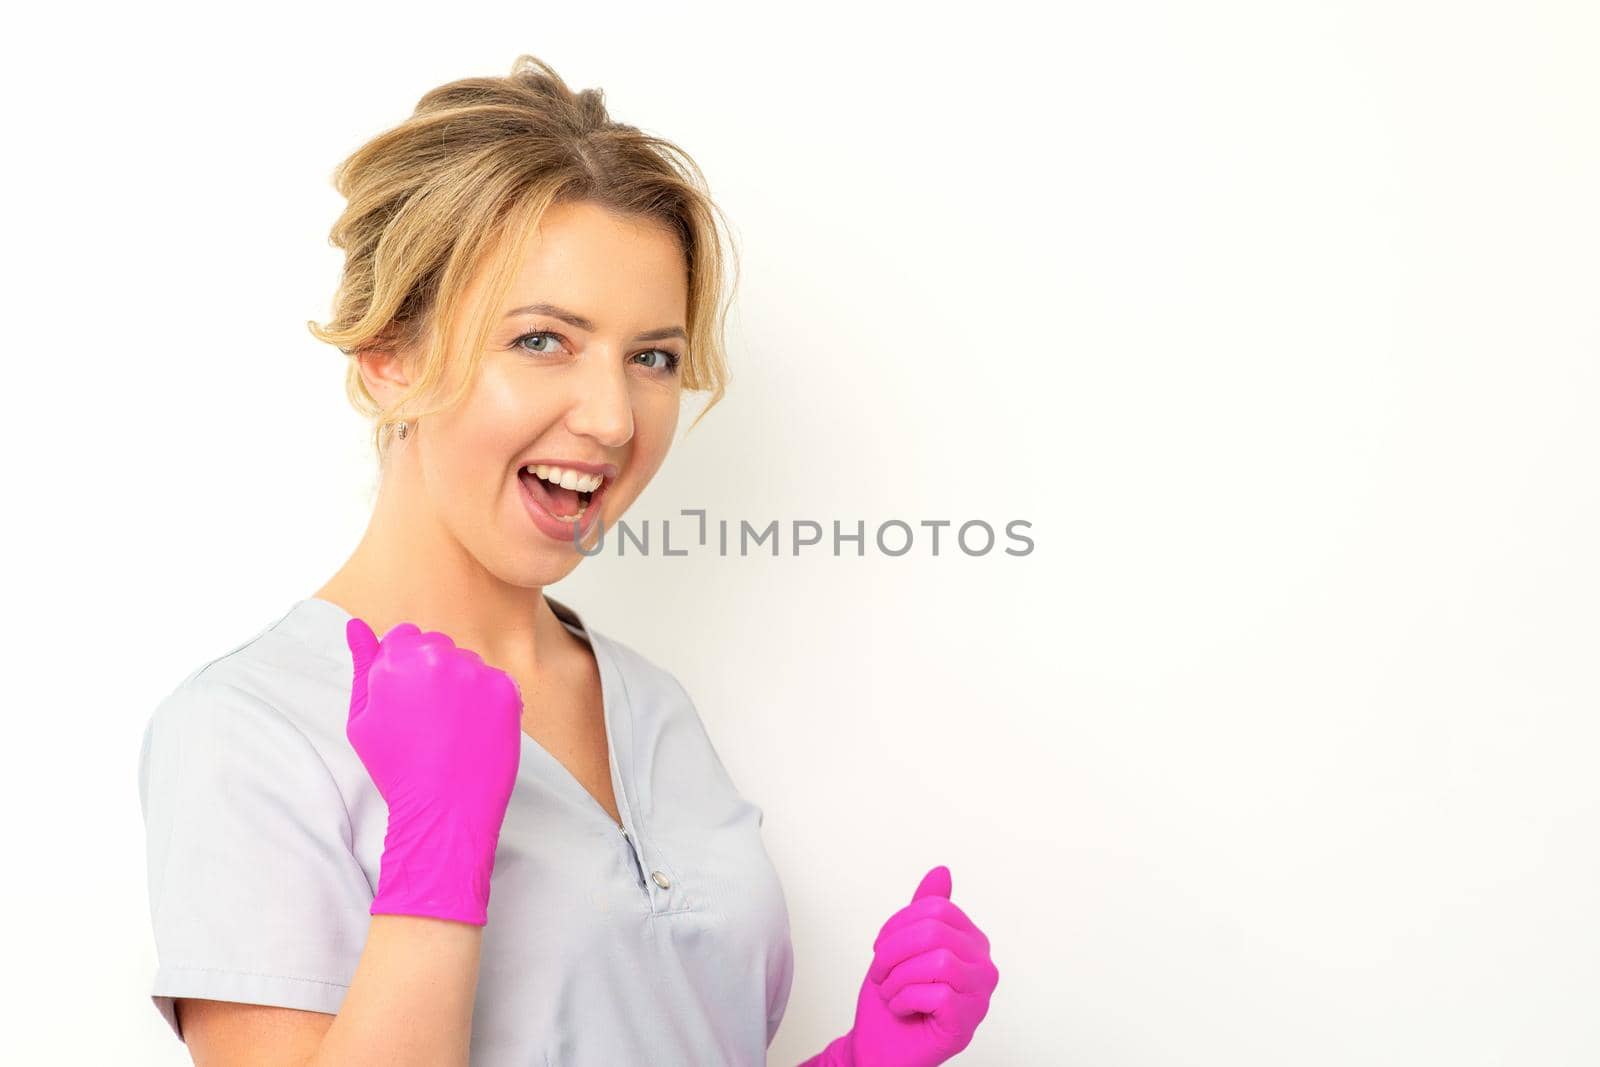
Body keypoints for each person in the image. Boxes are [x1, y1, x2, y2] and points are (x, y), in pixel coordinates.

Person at [137, 54, 999, 1066]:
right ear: (390, 353)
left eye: (653, 357)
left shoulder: (652, 707)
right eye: (543, 340)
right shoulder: (254, 730)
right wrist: (436, 849)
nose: (611, 417)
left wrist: (857, 1059)